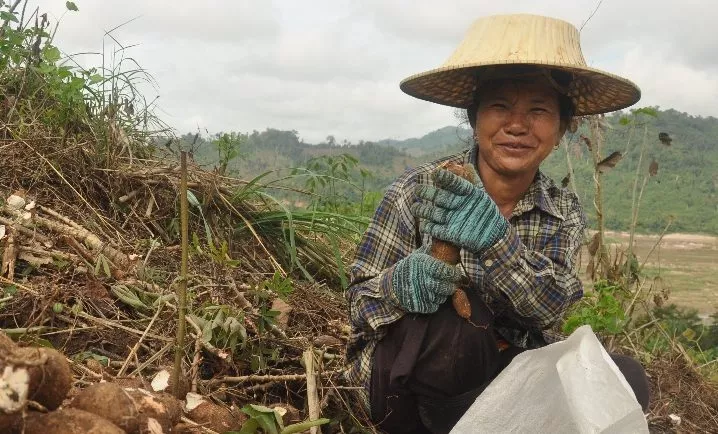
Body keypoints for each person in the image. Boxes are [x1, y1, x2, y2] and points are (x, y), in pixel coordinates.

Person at [345, 14, 650, 434]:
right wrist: (400, 283)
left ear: (561, 129)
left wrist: (496, 241)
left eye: (539, 111)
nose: (517, 125)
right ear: (474, 119)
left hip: (503, 388)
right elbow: (359, 303)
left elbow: (551, 308)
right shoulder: (418, 191)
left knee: (624, 379)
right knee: (459, 328)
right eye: (500, 106)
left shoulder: (561, 211)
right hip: (407, 387)